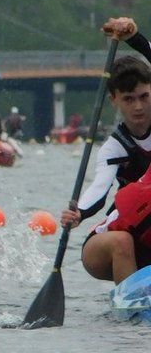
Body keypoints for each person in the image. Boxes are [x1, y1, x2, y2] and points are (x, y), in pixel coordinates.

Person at [60, 53, 151, 284]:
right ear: (114, 99)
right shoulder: (114, 148)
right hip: (115, 239)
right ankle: (128, 310)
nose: (138, 106)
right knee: (122, 241)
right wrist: (79, 211)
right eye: (129, 99)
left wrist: (134, 37)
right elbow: (99, 189)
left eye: (144, 96)